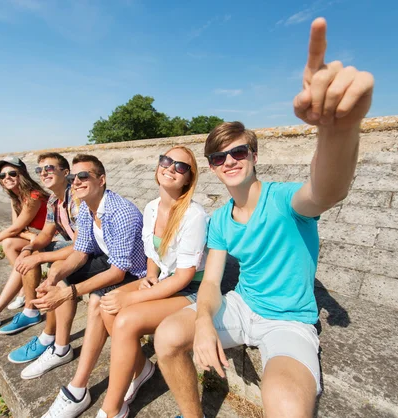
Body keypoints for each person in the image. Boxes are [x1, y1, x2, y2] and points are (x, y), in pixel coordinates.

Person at [154, 18, 374, 418]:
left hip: (288, 322)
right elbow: (212, 284)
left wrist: (338, 131)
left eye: (238, 152)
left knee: (287, 406)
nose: (230, 161)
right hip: (241, 307)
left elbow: (327, 190)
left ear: (254, 156)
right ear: (213, 168)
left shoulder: (285, 200)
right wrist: (204, 319)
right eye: (219, 158)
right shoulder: (221, 220)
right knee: (168, 335)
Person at [93, 146, 209, 418]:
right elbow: (152, 252)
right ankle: (141, 368)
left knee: (125, 318)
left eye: (181, 167)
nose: (171, 167)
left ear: (188, 179)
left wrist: (131, 297)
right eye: (166, 161)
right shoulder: (151, 207)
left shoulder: (194, 215)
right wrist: (150, 276)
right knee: (104, 305)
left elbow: (184, 277)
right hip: (166, 279)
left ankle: (112, 408)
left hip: (191, 289)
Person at [10, 154, 146, 381]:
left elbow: (118, 272)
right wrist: (52, 279)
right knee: (60, 272)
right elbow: (81, 251)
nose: (77, 181)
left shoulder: (121, 213)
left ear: (101, 180)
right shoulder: (85, 207)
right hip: (111, 260)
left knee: (94, 298)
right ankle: (59, 346)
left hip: (134, 271)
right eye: (74, 176)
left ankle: (75, 370)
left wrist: (67, 293)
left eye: (84, 176)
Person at [0, 153, 77, 343]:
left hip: (62, 240)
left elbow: (16, 229)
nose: (7, 178)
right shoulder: (24, 198)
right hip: (47, 238)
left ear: (21, 174)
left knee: (24, 251)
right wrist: (30, 241)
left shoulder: (35, 196)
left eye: (12, 174)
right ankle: (22, 293)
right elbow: (19, 229)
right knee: (13, 245)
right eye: (2, 176)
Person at [2, 152, 80, 363]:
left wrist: (37, 256)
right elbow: (46, 234)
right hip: (74, 246)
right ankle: (30, 311)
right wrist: (29, 248)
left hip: (93, 252)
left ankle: (53, 342)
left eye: (49, 168)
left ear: (65, 172)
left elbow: (82, 245)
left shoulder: (76, 199)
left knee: (56, 272)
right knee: (32, 252)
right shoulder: (54, 199)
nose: (44, 173)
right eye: (40, 170)